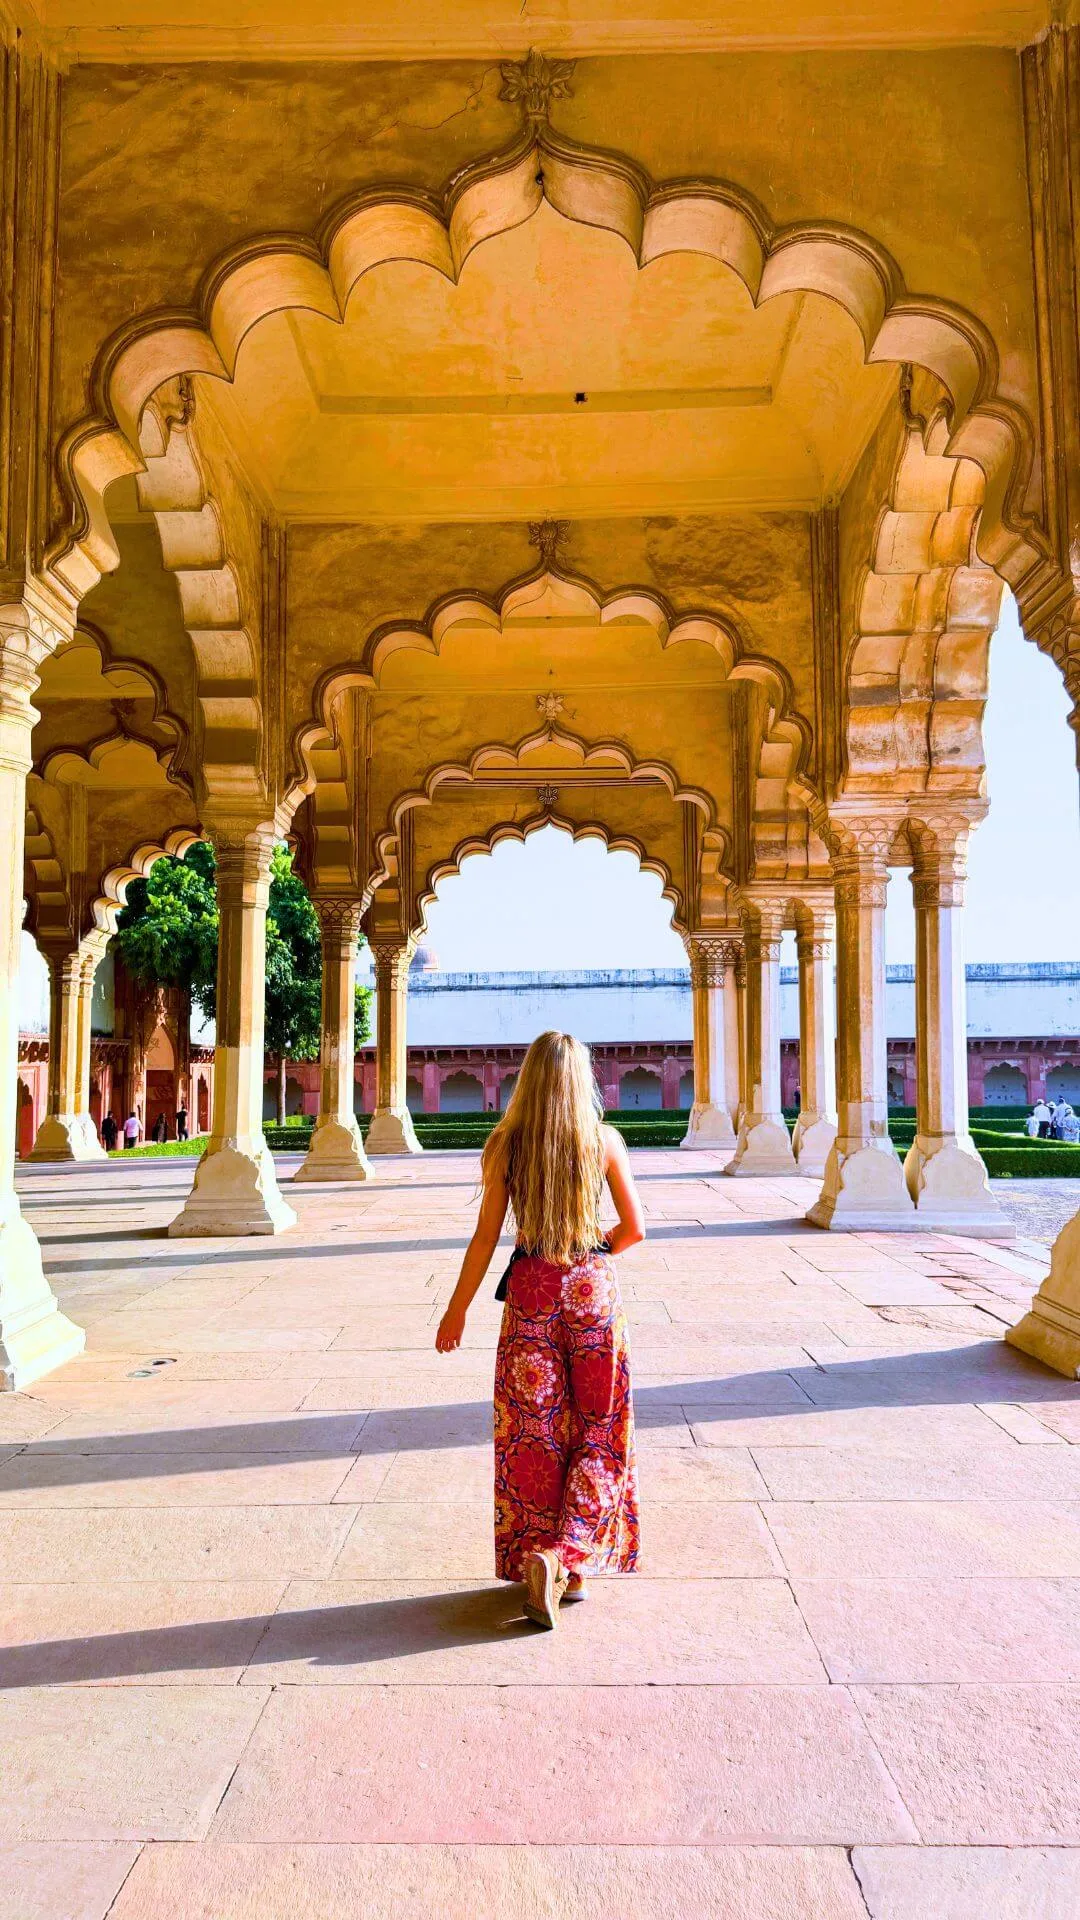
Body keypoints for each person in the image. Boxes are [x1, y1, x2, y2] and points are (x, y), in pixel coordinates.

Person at [436, 1030, 645, 1629]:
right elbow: (633, 1230)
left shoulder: (504, 1145)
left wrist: (457, 1310)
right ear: (582, 1082)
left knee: (536, 1433)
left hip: (528, 1294)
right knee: (601, 1429)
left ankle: (540, 1554)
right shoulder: (603, 1141)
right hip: (590, 1291)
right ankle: (567, 1559)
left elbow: (484, 1238)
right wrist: (588, 1251)